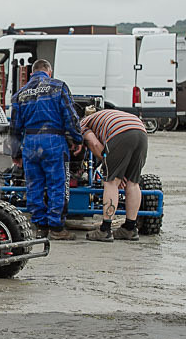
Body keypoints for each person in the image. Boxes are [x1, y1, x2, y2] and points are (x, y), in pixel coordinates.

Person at [9, 59, 83, 240]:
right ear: (49, 72)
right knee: (57, 185)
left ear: (31, 73)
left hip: (30, 143)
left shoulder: (20, 94)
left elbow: (14, 128)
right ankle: (56, 228)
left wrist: (16, 153)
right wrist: (77, 138)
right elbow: (70, 116)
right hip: (54, 141)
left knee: (34, 185)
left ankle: (40, 226)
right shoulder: (58, 87)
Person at [81, 109, 149, 242]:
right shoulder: (103, 116)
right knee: (133, 183)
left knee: (111, 182)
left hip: (120, 133)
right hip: (141, 132)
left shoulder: (82, 124)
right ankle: (130, 228)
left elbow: (94, 144)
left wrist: (113, 169)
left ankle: (105, 230)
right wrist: (120, 170)